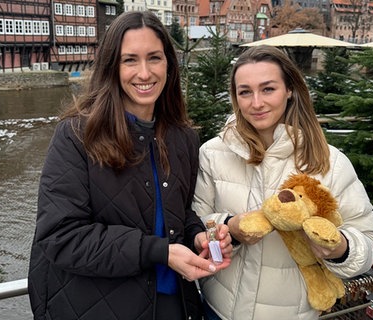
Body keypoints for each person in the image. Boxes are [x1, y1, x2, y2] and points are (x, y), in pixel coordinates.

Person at [28, 11, 232, 320]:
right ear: (112, 67)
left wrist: (198, 236)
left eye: (154, 58)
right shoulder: (76, 136)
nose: (145, 73)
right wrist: (159, 252)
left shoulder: (182, 137)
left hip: (172, 303)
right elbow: (61, 236)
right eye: (130, 60)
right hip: (99, 306)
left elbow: (177, 212)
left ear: (169, 65)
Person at [192, 46, 373, 320]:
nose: (256, 103)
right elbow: (196, 223)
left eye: (268, 89)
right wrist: (229, 229)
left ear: (289, 90)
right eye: (245, 92)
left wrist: (340, 248)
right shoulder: (212, 153)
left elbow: (368, 240)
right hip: (218, 309)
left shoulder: (330, 162)